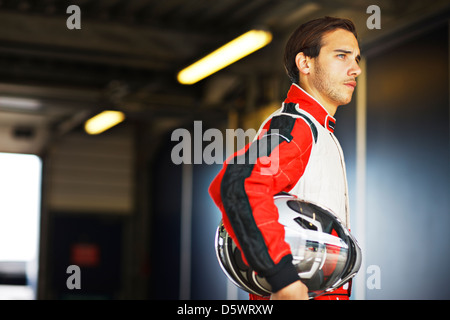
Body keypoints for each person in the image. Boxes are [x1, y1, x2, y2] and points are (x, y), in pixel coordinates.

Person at [208, 16, 361, 300]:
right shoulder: (296, 125)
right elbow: (238, 184)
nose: (356, 69)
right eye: (342, 56)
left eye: (356, 58)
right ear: (305, 63)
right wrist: (283, 280)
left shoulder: (321, 131)